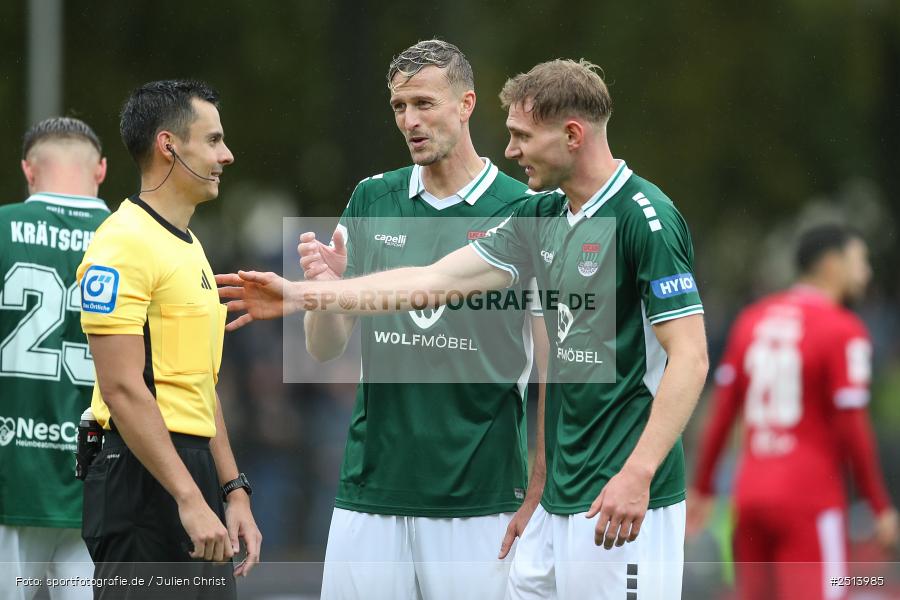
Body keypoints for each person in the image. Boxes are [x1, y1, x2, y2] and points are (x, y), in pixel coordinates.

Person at [218, 58, 708, 600]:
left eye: (522, 136)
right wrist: (303, 295)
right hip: (555, 505)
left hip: (615, 497)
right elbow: (430, 282)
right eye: (399, 106)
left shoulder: (645, 216)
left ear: (572, 135)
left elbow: (690, 358)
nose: (512, 150)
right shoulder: (542, 216)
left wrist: (639, 472)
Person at [298, 39, 548, 600]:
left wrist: (540, 482)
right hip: (370, 491)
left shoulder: (524, 209)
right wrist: (325, 293)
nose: (409, 120)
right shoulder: (372, 198)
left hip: (480, 497)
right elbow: (323, 348)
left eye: (424, 104)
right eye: (399, 106)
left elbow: (554, 367)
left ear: (466, 104)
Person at [76, 80, 261, 599]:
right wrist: (187, 497)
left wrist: (232, 490)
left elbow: (199, 386)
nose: (227, 155)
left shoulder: (190, 245)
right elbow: (121, 388)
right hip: (141, 477)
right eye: (213, 140)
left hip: (191, 473)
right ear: (169, 146)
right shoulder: (122, 242)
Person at [688, 223, 898, 600]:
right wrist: (879, 505)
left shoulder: (752, 320)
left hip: (749, 496)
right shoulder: (842, 329)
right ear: (832, 264)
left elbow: (723, 412)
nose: (866, 273)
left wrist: (703, 487)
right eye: (859, 261)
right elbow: (852, 427)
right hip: (809, 501)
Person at [0, 117, 109, 600]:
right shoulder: (136, 240)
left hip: (11, 476)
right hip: (106, 482)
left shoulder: (2, 227)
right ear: (100, 170)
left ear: (28, 170)